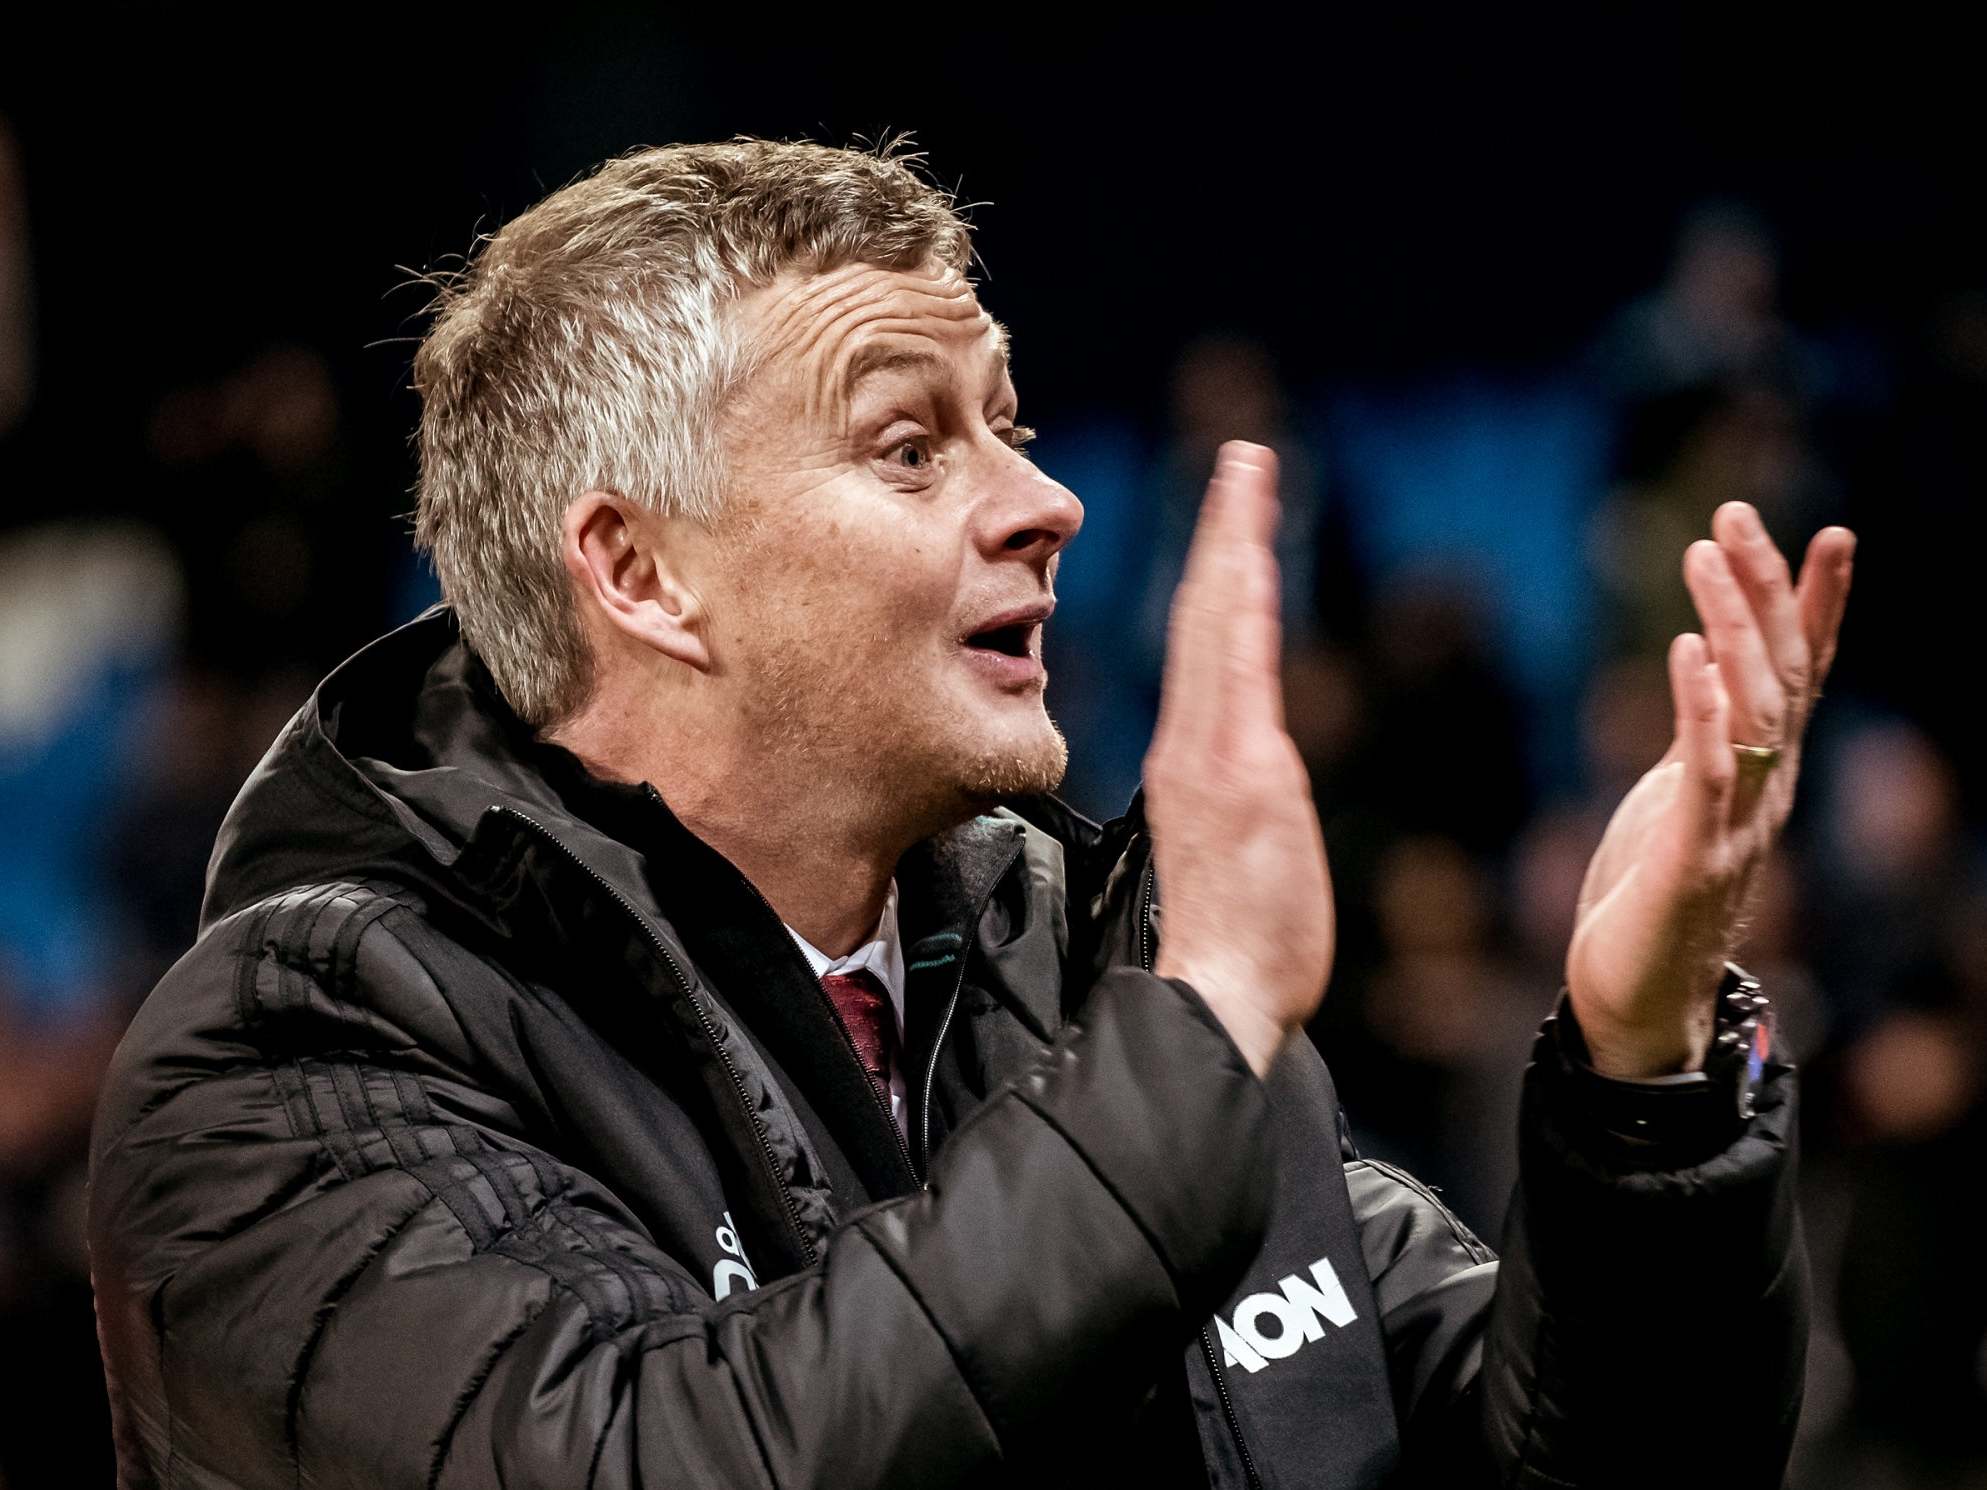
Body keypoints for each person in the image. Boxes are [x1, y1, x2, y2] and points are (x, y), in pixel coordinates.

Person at [87, 140, 1854, 1489]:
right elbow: (669, 1454)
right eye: (911, 445)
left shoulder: (1086, 973)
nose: (1053, 501)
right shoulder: (292, 1066)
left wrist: (1645, 1080)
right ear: (640, 572)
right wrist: (1200, 1039)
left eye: (1008, 422)